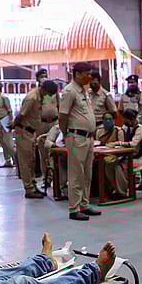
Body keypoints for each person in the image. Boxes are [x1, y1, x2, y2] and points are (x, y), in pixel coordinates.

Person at [59, 62, 101, 221]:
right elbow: (63, 116)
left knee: (87, 173)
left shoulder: (84, 91)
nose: (89, 77)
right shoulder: (70, 91)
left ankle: (84, 204)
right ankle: (74, 208)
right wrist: (66, 134)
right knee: (76, 174)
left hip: (89, 137)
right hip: (76, 136)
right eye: (86, 73)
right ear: (77, 74)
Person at [13, 81, 51, 199]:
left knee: (31, 160)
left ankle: (33, 186)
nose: (48, 96)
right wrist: (15, 126)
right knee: (25, 161)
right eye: (48, 94)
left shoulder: (39, 96)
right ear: (44, 89)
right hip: (23, 131)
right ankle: (29, 189)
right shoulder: (32, 98)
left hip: (30, 131)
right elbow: (21, 115)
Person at [106, 109, 142, 198]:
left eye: (125, 119)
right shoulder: (126, 127)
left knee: (119, 166)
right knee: (108, 165)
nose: (123, 121)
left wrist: (118, 143)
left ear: (131, 119)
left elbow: (133, 144)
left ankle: (122, 192)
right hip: (128, 155)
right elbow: (123, 141)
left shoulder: (139, 128)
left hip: (140, 157)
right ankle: (115, 188)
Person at [37, 79, 61, 192]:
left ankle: (57, 178)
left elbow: (60, 106)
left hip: (55, 122)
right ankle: (45, 179)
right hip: (42, 123)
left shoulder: (54, 92)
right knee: (43, 152)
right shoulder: (38, 95)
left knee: (55, 149)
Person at [40, 122, 68, 200]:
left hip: (72, 155)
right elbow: (47, 143)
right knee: (60, 162)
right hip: (58, 156)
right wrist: (56, 146)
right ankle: (60, 189)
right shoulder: (56, 128)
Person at [0, 84, 15, 168]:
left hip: (5, 122)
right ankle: (7, 161)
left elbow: (9, 110)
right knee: (2, 143)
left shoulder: (4, 98)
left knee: (8, 143)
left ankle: (15, 160)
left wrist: (12, 121)